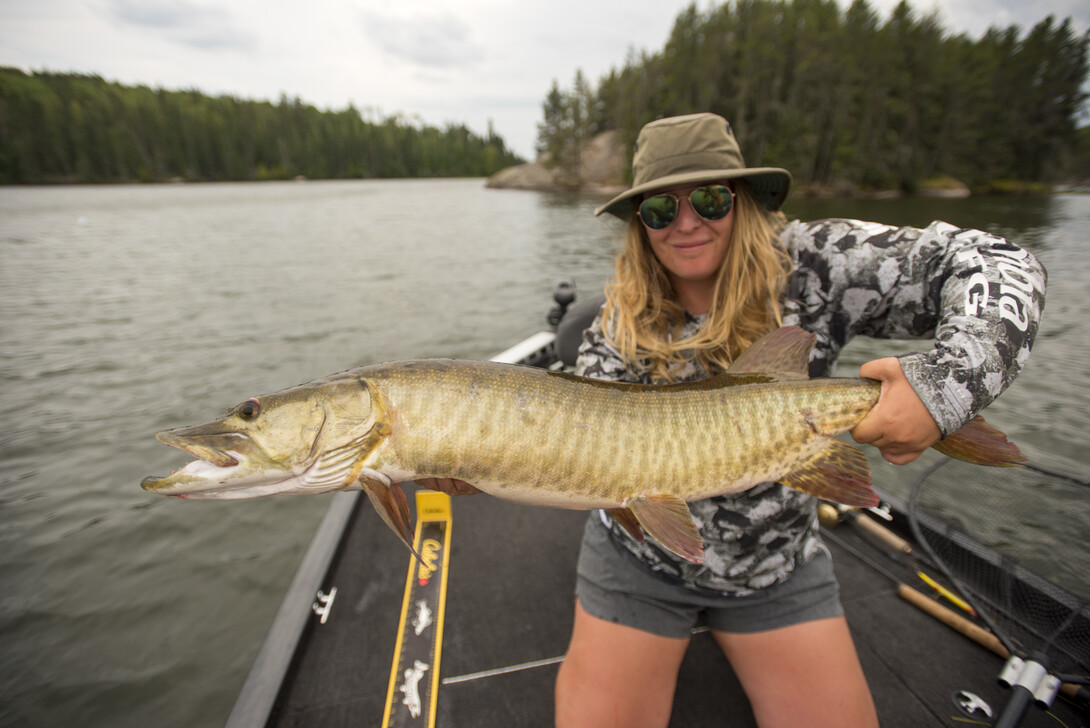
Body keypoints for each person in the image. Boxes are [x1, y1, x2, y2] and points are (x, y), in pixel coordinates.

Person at [550, 112, 1046, 728]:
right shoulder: (617, 318)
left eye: (708, 199)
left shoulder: (817, 263)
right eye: (658, 209)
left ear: (745, 199)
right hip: (642, 561)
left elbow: (1000, 262)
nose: (685, 223)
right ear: (639, 224)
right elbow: (588, 445)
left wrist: (946, 386)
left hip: (775, 564)